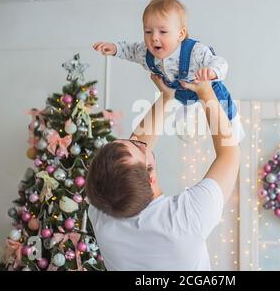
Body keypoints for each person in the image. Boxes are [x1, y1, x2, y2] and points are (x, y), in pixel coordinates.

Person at [86, 73, 240, 270]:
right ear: (150, 178)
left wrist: (166, 97)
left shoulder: (102, 216)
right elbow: (230, 154)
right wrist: (206, 93)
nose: (140, 142)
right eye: (138, 147)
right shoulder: (185, 217)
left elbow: (132, 160)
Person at [92, 0, 245, 142]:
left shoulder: (195, 52)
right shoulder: (145, 53)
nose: (154, 37)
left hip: (207, 87)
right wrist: (114, 48)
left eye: (163, 31)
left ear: (180, 34)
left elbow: (221, 63)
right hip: (179, 96)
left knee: (225, 112)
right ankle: (188, 125)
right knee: (181, 123)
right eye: (148, 31)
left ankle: (235, 129)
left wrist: (211, 72)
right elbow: (130, 50)